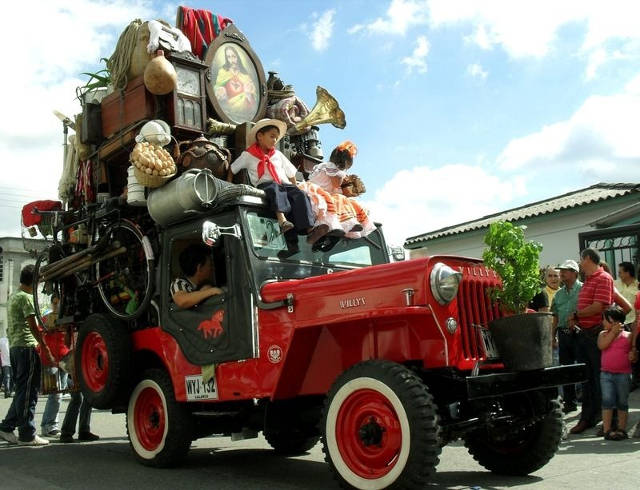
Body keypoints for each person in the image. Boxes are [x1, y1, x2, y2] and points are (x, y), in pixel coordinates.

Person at [228, 119, 316, 244]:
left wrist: (295, 187)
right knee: (275, 189)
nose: (275, 140)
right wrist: (230, 184)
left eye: (276, 138)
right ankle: (282, 220)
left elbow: (291, 173)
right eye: (272, 136)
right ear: (260, 136)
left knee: (301, 194)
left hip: (284, 185)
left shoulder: (278, 154)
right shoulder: (248, 155)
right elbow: (233, 169)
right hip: (266, 185)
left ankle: (309, 228)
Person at [0, 265, 54, 446]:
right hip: (27, 347)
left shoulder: (14, 296)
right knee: (28, 392)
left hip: (15, 347)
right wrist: (45, 346)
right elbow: (33, 326)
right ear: (35, 281)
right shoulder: (27, 298)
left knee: (22, 390)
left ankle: (7, 427)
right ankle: (27, 433)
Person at [568, 248, 613, 434]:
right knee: (587, 379)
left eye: (581, 259)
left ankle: (607, 420)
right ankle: (588, 417)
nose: (580, 263)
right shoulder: (589, 280)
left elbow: (598, 306)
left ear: (588, 258)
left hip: (597, 335)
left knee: (600, 379)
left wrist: (577, 315)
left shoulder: (603, 278)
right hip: (585, 335)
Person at [551, 259, 582, 413]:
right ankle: (570, 402)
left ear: (575, 273)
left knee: (583, 367)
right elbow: (555, 316)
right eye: (561, 270)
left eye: (566, 270)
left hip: (580, 333)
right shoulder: (558, 295)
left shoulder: (583, 289)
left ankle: (586, 398)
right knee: (566, 370)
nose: (562, 273)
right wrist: (553, 336)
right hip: (563, 334)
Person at [597, 305, 633, 440]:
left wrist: (632, 355)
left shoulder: (628, 336)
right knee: (607, 401)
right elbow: (602, 346)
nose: (603, 322)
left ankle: (622, 429)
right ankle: (607, 430)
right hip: (606, 374)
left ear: (614, 321)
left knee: (622, 401)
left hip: (623, 374)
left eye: (605, 320)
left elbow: (632, 353)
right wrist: (612, 333)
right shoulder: (603, 334)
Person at [170, 243, 225, 309]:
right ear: (199, 268)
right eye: (210, 265)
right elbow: (182, 301)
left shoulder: (204, 284)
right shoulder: (179, 283)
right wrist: (212, 291)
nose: (212, 268)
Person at [214, 45, 257, 122]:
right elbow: (216, 87)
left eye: (234, 56)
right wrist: (220, 90)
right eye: (229, 57)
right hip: (225, 111)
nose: (232, 60)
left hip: (243, 114)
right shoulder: (223, 72)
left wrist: (248, 94)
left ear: (238, 57)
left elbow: (254, 98)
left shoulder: (245, 76)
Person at [59, 376, 99, 444]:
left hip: (84, 375)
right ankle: (66, 433)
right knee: (77, 399)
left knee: (88, 398)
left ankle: (84, 431)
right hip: (72, 375)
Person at [614, 262, 638, 328]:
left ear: (627, 273)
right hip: (619, 323)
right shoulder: (615, 284)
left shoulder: (638, 286)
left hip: (633, 322)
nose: (618, 275)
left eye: (620, 272)